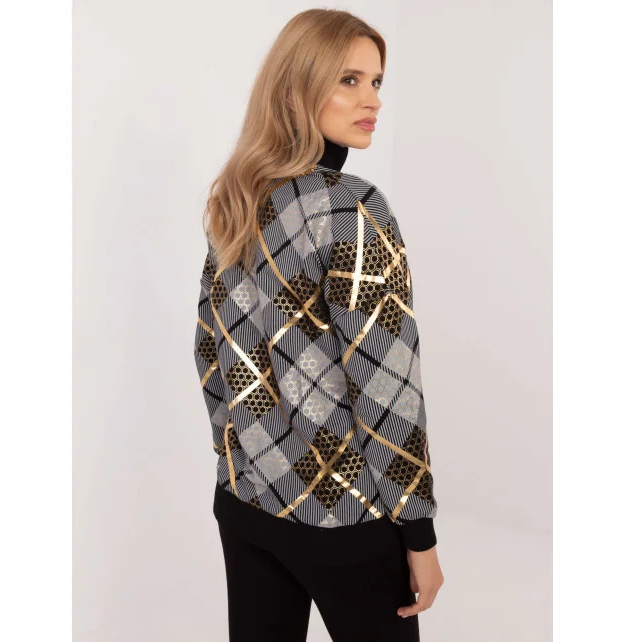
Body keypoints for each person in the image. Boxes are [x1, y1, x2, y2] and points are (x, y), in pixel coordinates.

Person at [193, 8, 444, 641]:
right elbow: (389, 386)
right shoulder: (351, 208)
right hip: (346, 524)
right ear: (296, 88)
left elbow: (210, 353)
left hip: (246, 506)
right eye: (348, 80)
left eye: (377, 82)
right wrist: (419, 533)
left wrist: (244, 462)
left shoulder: (239, 198)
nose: (372, 100)